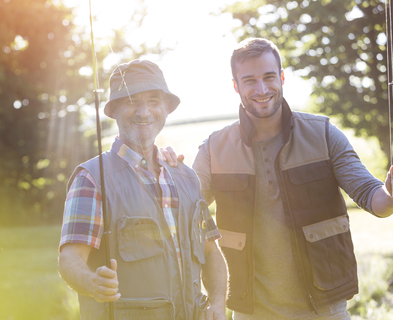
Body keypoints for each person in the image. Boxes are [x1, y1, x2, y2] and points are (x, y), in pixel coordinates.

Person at [163, 38, 393, 319]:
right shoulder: (213, 149)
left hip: (325, 309)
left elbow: (375, 198)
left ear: (282, 77)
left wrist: (391, 193)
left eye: (269, 77)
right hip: (250, 311)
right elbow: (181, 210)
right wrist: (164, 170)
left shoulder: (323, 134)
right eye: (249, 80)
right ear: (236, 86)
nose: (261, 89)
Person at [58, 60, 229, 320]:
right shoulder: (92, 179)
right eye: (131, 101)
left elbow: (211, 253)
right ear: (114, 109)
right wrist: (92, 283)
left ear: (166, 108)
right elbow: (70, 258)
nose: (144, 111)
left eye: (153, 100)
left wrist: (217, 304)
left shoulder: (186, 177)